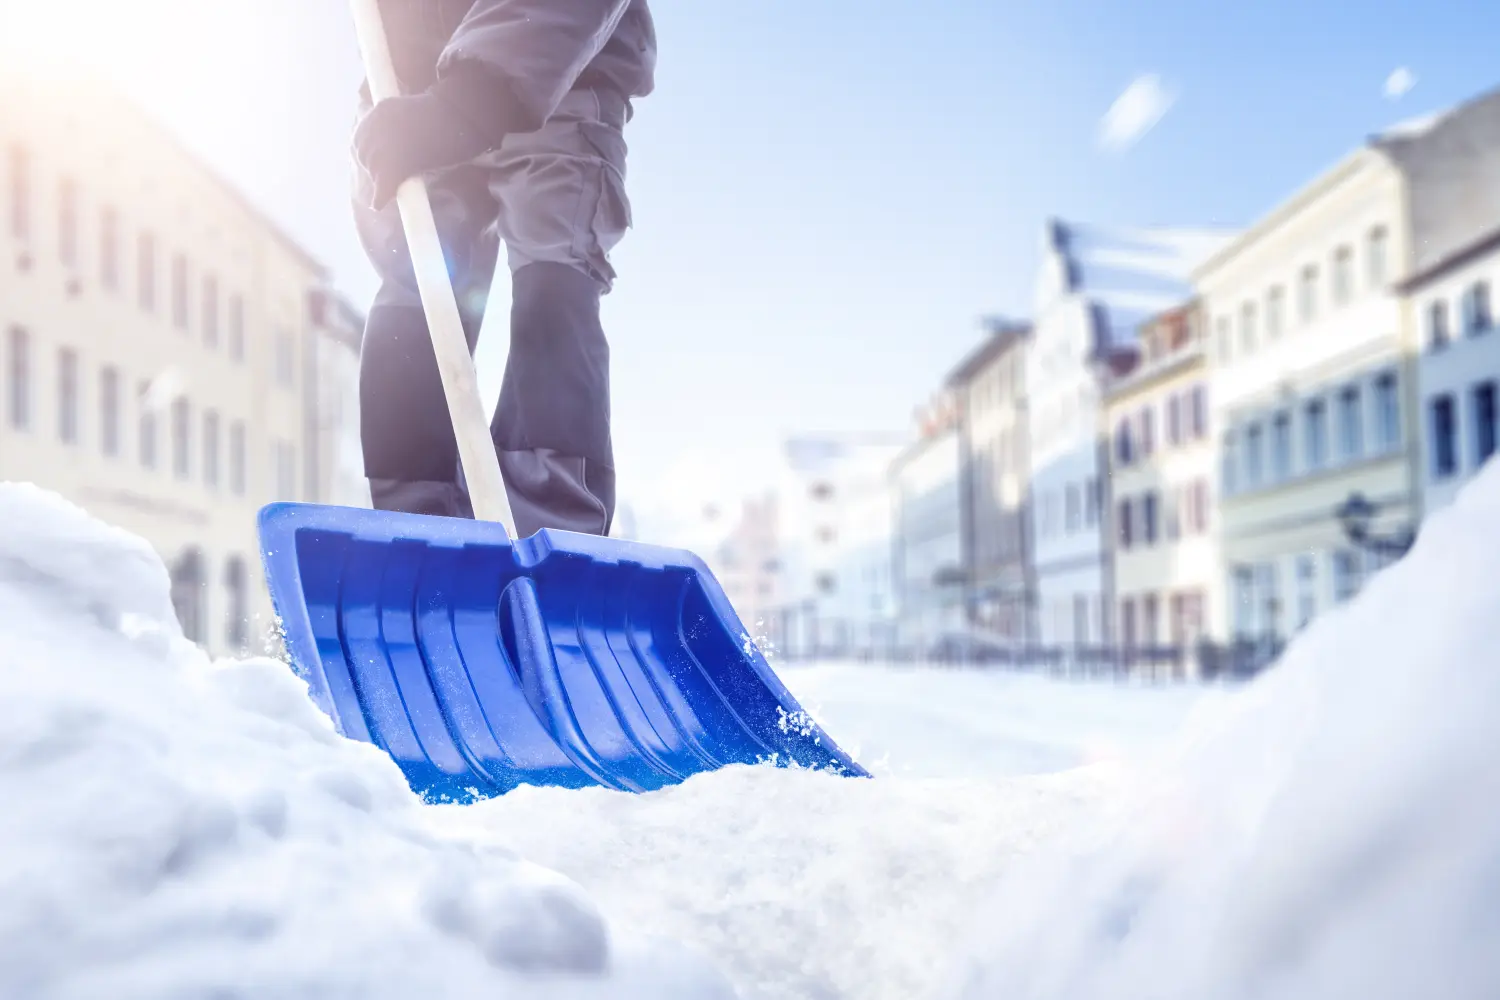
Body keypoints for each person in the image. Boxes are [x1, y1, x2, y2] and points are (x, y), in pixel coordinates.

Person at [349, 0, 655, 537]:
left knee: (552, 272)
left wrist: (468, 102)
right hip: (408, 78)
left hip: (559, 64)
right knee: (417, 287)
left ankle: (549, 529)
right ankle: (415, 530)